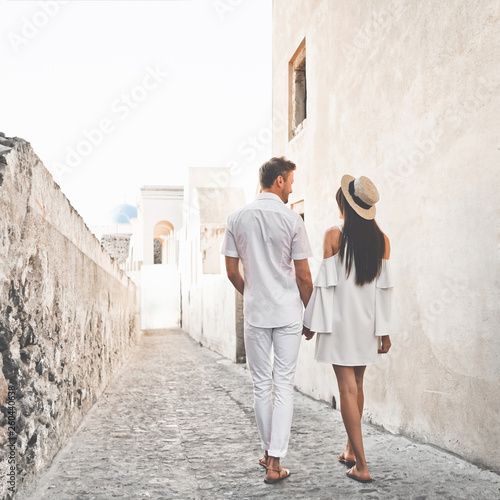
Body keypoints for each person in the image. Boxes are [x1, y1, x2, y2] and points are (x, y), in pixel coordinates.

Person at [221, 157, 313, 484]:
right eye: (290, 182)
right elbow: (303, 276)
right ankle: (275, 461)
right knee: (283, 384)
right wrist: (310, 314)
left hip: (257, 312)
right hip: (288, 312)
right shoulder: (292, 220)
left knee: (262, 385)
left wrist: (253, 293)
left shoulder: (237, 218)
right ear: (278, 181)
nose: (292, 188)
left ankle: (267, 455)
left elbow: (232, 271)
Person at [303, 174, 394, 484]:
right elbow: (384, 291)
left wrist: (309, 322)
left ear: (345, 203)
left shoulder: (333, 236)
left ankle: (363, 465)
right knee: (357, 385)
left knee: (347, 389)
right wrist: (385, 331)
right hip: (367, 325)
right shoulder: (382, 240)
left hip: (340, 325)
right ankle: (350, 450)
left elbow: (324, 287)